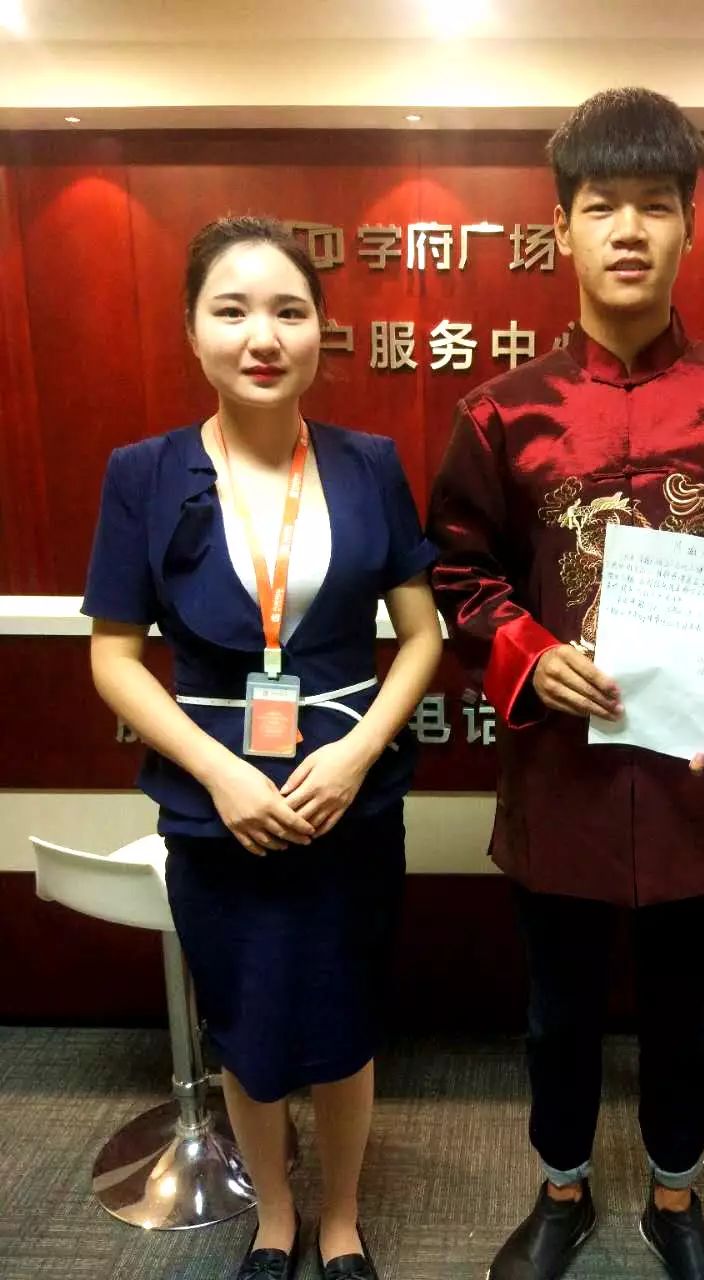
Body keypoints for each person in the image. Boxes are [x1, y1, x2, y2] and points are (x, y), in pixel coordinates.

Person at [428, 89, 704, 1280]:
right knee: (556, 1009)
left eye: (655, 206)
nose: (628, 229)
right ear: (561, 227)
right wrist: (527, 650)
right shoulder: (501, 411)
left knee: (680, 1009)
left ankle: (673, 1195)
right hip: (560, 773)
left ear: (688, 228)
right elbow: (458, 571)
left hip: (693, 775)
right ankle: (561, 1186)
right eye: (602, 205)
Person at [82, 215, 442, 1280]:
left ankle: (342, 1221)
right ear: (192, 331)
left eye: (289, 310)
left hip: (348, 799)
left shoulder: (369, 464)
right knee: (247, 1020)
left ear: (322, 329)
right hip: (215, 806)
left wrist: (359, 752)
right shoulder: (143, 474)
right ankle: (275, 1217)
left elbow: (422, 636)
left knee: (344, 1015)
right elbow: (114, 658)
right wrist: (221, 771)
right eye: (231, 310)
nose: (263, 336)